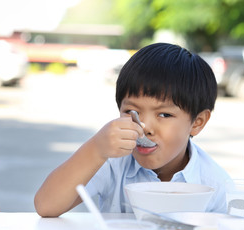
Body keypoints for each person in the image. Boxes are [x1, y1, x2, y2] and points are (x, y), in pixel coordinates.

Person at [34, 42, 232, 217]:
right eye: (131, 111)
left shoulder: (215, 185)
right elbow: (46, 206)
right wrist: (96, 148)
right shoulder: (113, 162)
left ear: (197, 122)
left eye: (164, 115)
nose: (143, 127)